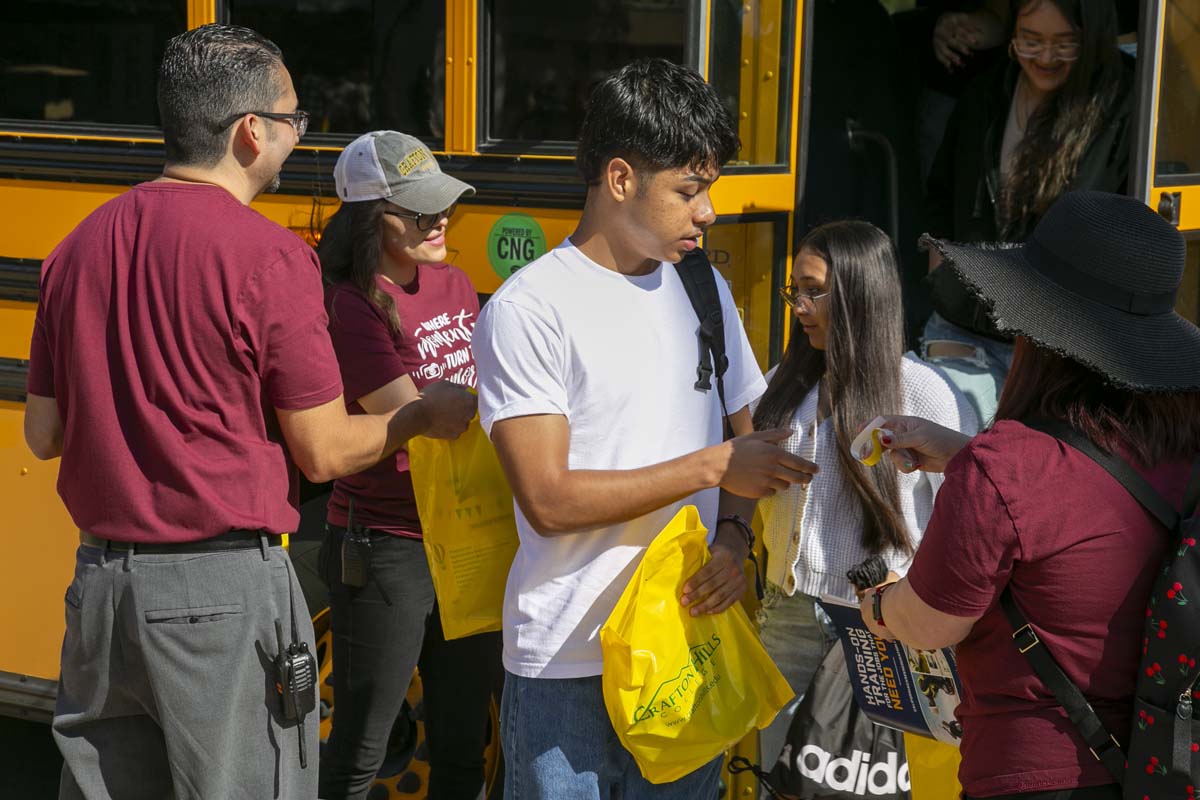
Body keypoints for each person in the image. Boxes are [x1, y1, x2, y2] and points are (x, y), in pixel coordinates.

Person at [23, 25, 474, 799]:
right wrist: (416, 417)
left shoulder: (76, 247)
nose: (301, 135)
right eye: (295, 119)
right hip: (218, 596)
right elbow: (326, 453)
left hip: (99, 588)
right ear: (249, 132)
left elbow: (44, 433)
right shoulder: (269, 257)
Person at [471, 58, 818, 798]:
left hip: (686, 652)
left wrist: (732, 536)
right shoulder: (529, 309)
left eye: (709, 191)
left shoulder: (703, 286)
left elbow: (747, 441)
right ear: (621, 178)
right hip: (569, 663)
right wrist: (714, 469)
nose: (708, 213)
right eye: (688, 191)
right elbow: (549, 499)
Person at [858, 191, 1200, 799]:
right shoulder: (1185, 445)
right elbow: (1088, 502)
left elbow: (933, 623)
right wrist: (965, 454)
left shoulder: (1005, 468)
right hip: (1168, 768)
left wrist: (881, 607)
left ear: (1035, 328)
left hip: (1034, 774)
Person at [315, 130, 501, 800]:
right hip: (386, 546)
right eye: (422, 213)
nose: (440, 221)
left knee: (462, 745)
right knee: (362, 748)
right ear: (372, 221)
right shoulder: (350, 306)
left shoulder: (453, 282)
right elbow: (421, 421)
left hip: (463, 538)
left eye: (445, 205)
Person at [751, 220, 977, 767]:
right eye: (794, 292)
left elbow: (969, 515)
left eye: (812, 291)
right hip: (788, 618)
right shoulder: (786, 382)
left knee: (872, 781)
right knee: (781, 777)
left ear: (857, 295)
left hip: (886, 626)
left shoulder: (922, 391)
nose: (798, 306)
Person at [921, 0, 1133, 426]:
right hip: (966, 326)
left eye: (1065, 44)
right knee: (927, 425)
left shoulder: (1125, 109)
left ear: (1092, 38)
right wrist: (942, 268)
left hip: (1061, 355)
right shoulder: (986, 94)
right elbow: (942, 192)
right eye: (1031, 41)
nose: (1046, 58)